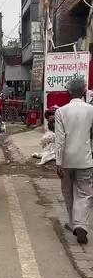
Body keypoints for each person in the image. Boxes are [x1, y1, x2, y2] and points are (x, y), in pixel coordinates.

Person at [55, 78, 93, 245]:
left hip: (66, 160)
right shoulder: (91, 110)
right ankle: (81, 225)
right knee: (84, 194)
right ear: (84, 92)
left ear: (69, 92)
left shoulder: (61, 112)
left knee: (68, 193)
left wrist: (58, 161)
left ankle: (73, 223)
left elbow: (59, 139)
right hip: (85, 159)